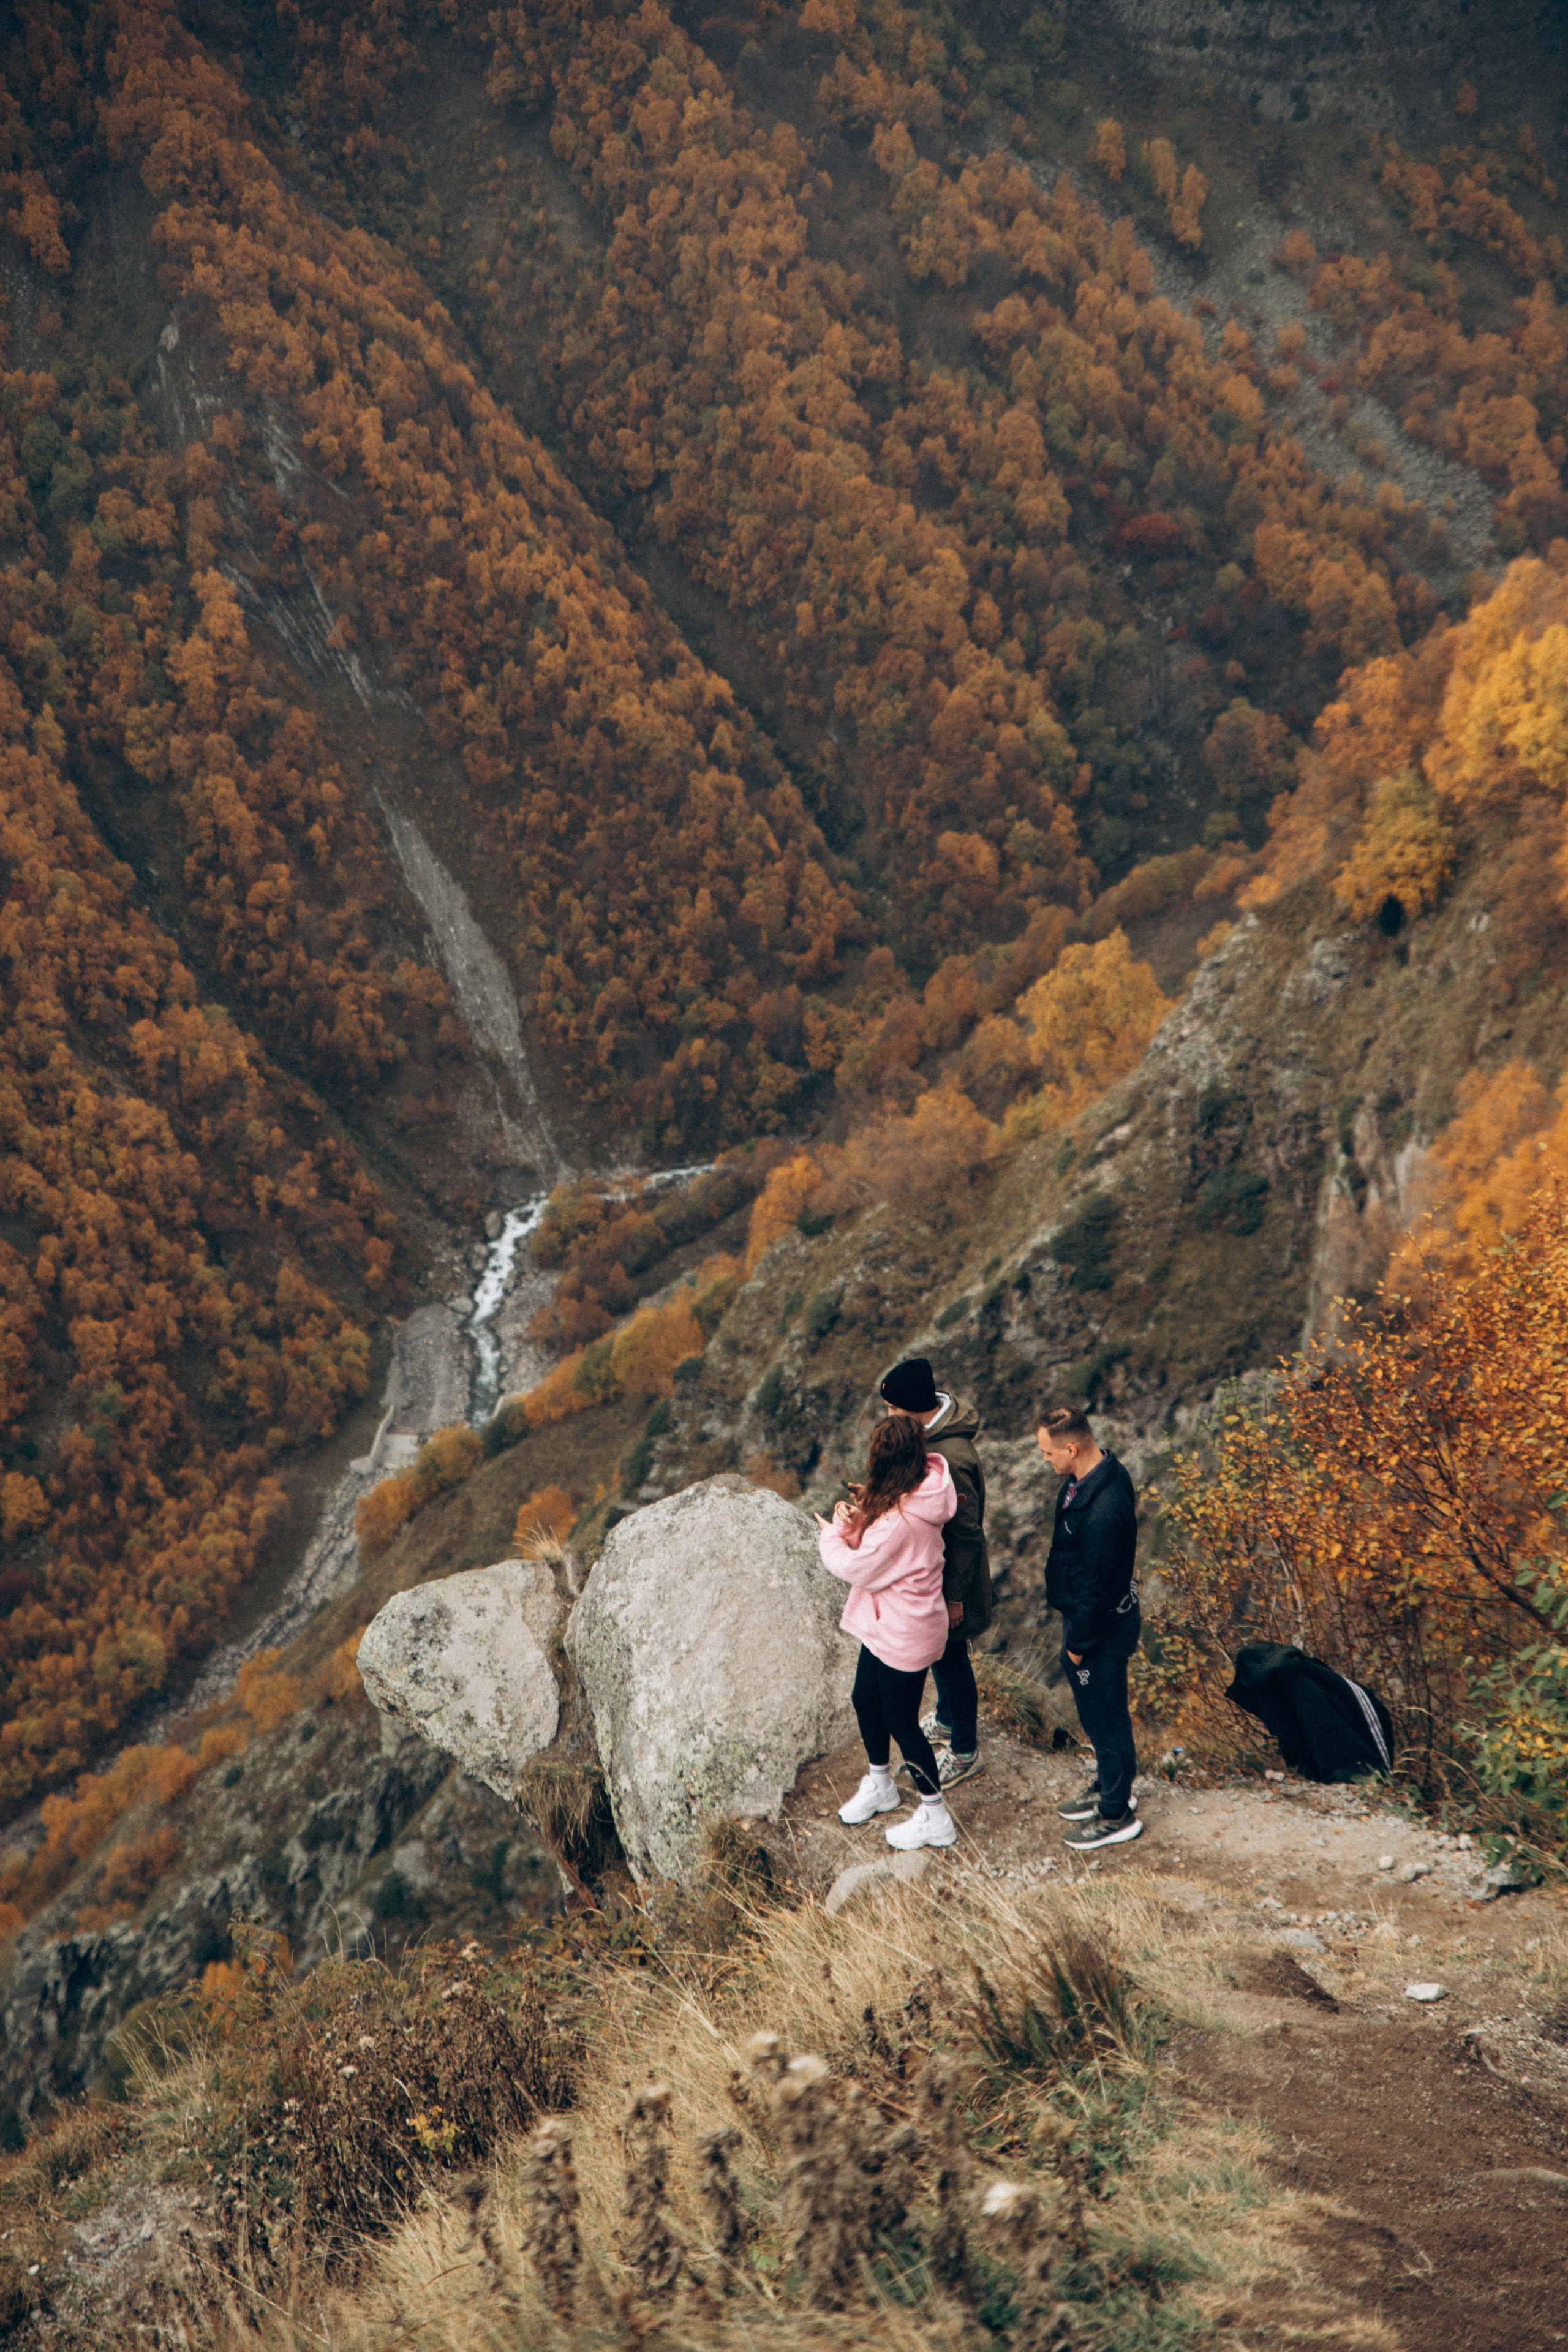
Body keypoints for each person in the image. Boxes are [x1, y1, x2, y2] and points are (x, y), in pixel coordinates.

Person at [816, 1413, 960, 1852]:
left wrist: (832, 1535)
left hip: (906, 1631)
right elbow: (884, 1541)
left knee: (902, 1721)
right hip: (889, 1622)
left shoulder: (903, 1520)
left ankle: (936, 1816)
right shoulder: (917, 1492)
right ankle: (881, 1784)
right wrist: (860, 1517)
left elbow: (857, 1565)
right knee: (865, 1698)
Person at [879, 1357, 991, 1789]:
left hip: (951, 1578)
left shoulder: (951, 1456)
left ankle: (964, 1752)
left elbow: (965, 1535)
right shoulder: (927, 1438)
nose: (888, 1418)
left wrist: (955, 1597)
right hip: (935, 1570)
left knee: (953, 1659)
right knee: (942, 1658)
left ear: (912, 1407)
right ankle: (946, 1720)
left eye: (893, 1410)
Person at [1038, 1403, 1145, 1850]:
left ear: (1072, 1447)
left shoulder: (1103, 1511)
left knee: (1106, 1716)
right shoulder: (1096, 1474)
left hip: (1099, 1630)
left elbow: (1099, 1587)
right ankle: (1109, 1785)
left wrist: (1079, 1644)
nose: (1045, 1461)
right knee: (1098, 1713)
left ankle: (1117, 1812)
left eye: (1047, 1453)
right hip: (1092, 1620)